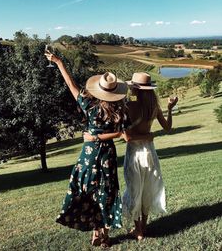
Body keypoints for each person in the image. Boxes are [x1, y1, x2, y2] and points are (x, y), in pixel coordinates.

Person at [45, 49, 129, 247]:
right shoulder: (119, 109)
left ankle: (97, 233)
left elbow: (70, 84)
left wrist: (59, 63)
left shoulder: (89, 105)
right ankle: (102, 234)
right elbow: (122, 134)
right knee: (106, 193)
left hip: (89, 154)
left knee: (89, 191)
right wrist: (108, 135)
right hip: (107, 154)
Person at [122, 72, 178, 240]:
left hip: (134, 153)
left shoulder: (128, 107)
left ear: (136, 89)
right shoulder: (154, 108)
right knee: (147, 189)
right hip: (150, 152)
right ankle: (143, 227)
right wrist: (169, 109)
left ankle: (138, 230)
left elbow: (128, 137)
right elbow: (167, 127)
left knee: (134, 190)